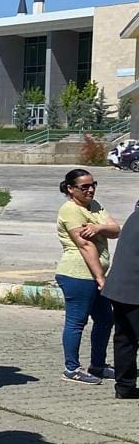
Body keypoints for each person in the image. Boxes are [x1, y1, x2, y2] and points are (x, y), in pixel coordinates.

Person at [54, 168, 119, 383]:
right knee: (77, 321)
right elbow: (85, 245)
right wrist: (101, 278)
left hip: (95, 274)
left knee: (105, 319)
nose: (90, 190)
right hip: (77, 275)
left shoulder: (95, 206)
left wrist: (98, 227)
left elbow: (116, 230)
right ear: (71, 189)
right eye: (84, 187)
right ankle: (71, 369)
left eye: (93, 185)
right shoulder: (70, 210)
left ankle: (98, 365)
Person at [98, 202, 139, 400]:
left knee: (125, 338)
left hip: (119, 289)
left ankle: (125, 387)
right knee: (126, 337)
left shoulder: (134, 217)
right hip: (134, 290)